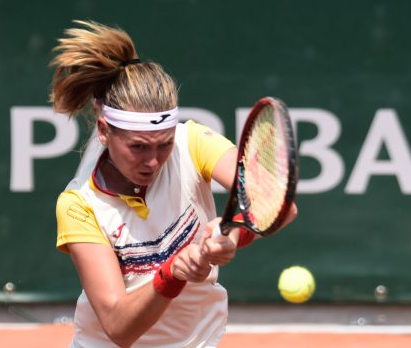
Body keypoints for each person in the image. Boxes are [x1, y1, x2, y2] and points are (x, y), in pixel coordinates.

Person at [52, 21, 297, 348]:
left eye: (164, 144)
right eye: (138, 147)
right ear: (103, 130)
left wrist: (234, 235)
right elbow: (118, 326)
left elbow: (281, 204)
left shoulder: (192, 142)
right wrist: (173, 274)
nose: (153, 161)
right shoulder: (78, 204)